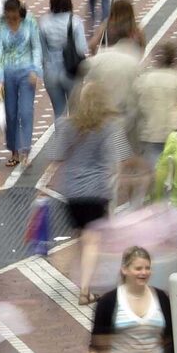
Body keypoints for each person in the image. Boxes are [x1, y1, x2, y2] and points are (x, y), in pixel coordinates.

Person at [43, 82, 135, 303]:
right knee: (93, 240)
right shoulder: (110, 126)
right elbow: (121, 158)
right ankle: (85, 290)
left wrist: (44, 186)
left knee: (82, 237)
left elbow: (56, 157)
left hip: (71, 192)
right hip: (97, 191)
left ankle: (77, 276)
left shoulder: (66, 125)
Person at [0, 0, 42, 168]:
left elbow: (36, 47)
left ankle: (26, 150)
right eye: (8, 18)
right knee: (11, 113)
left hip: (26, 70)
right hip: (8, 72)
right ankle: (14, 150)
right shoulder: (0, 26)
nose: (11, 21)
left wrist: (35, 70)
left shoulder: (30, 22)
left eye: (14, 18)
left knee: (26, 111)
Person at [128, 41, 177, 165]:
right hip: (173, 131)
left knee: (153, 169)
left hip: (149, 131)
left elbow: (134, 105)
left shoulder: (144, 80)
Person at [36, 0, 86, 119]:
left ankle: (61, 138)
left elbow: (40, 52)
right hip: (71, 70)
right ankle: (76, 139)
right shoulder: (75, 21)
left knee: (59, 112)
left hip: (51, 72)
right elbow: (81, 48)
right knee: (76, 112)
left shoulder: (43, 22)